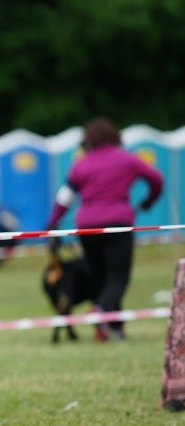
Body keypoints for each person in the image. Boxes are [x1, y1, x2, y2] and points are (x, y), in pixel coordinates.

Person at [45, 117, 163, 341]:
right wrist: (149, 201)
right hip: (117, 224)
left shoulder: (81, 164)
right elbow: (156, 179)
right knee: (118, 277)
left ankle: (116, 328)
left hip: (87, 226)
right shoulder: (127, 160)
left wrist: (52, 223)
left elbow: (64, 197)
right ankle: (100, 310)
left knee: (100, 276)